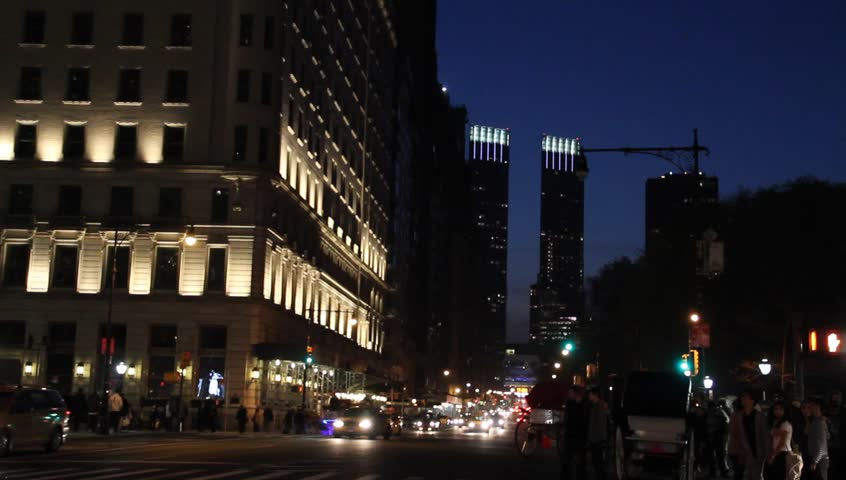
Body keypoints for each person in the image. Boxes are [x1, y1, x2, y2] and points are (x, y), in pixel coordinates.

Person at [728, 391, 769, 480]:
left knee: (756, 475)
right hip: (744, 452)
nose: (743, 399)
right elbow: (736, 434)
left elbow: (765, 436)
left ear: (752, 400)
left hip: (757, 452)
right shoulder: (739, 416)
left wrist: (767, 453)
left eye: (745, 397)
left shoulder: (759, 417)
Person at [561, 385, 588, 480]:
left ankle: (579, 476)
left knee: (578, 460)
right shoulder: (572, 404)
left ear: (576, 393)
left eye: (571, 393)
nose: (569, 395)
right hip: (573, 434)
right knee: (569, 459)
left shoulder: (583, 404)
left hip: (578, 434)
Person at [763, 401, 793, 480]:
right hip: (777, 452)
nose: (778, 411)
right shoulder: (776, 422)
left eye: (780, 409)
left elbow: (782, 443)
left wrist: (773, 456)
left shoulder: (785, 424)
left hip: (782, 453)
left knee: (779, 476)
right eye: (775, 409)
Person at [586, 387, 608, 480]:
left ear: (595, 395)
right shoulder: (597, 406)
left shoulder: (599, 406)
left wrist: (597, 438)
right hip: (597, 438)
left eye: (590, 394)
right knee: (597, 462)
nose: (589, 396)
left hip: (597, 438)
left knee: (597, 462)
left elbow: (599, 424)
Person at [805, 398, 829, 480]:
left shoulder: (819, 423)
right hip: (818, 458)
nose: (809, 408)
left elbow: (821, 444)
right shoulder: (816, 421)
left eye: (811, 405)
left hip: (820, 460)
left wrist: (815, 461)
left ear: (817, 407)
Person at [707, 399, 732, 478]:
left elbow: (726, 420)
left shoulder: (715, 413)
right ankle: (721, 472)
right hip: (717, 436)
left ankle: (718, 472)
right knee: (717, 455)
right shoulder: (718, 412)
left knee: (717, 455)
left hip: (716, 436)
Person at [824, 391, 842, 480]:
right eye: (834, 399)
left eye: (837, 399)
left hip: (839, 447)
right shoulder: (825, 413)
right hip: (827, 448)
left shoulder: (843, 413)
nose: (835, 401)